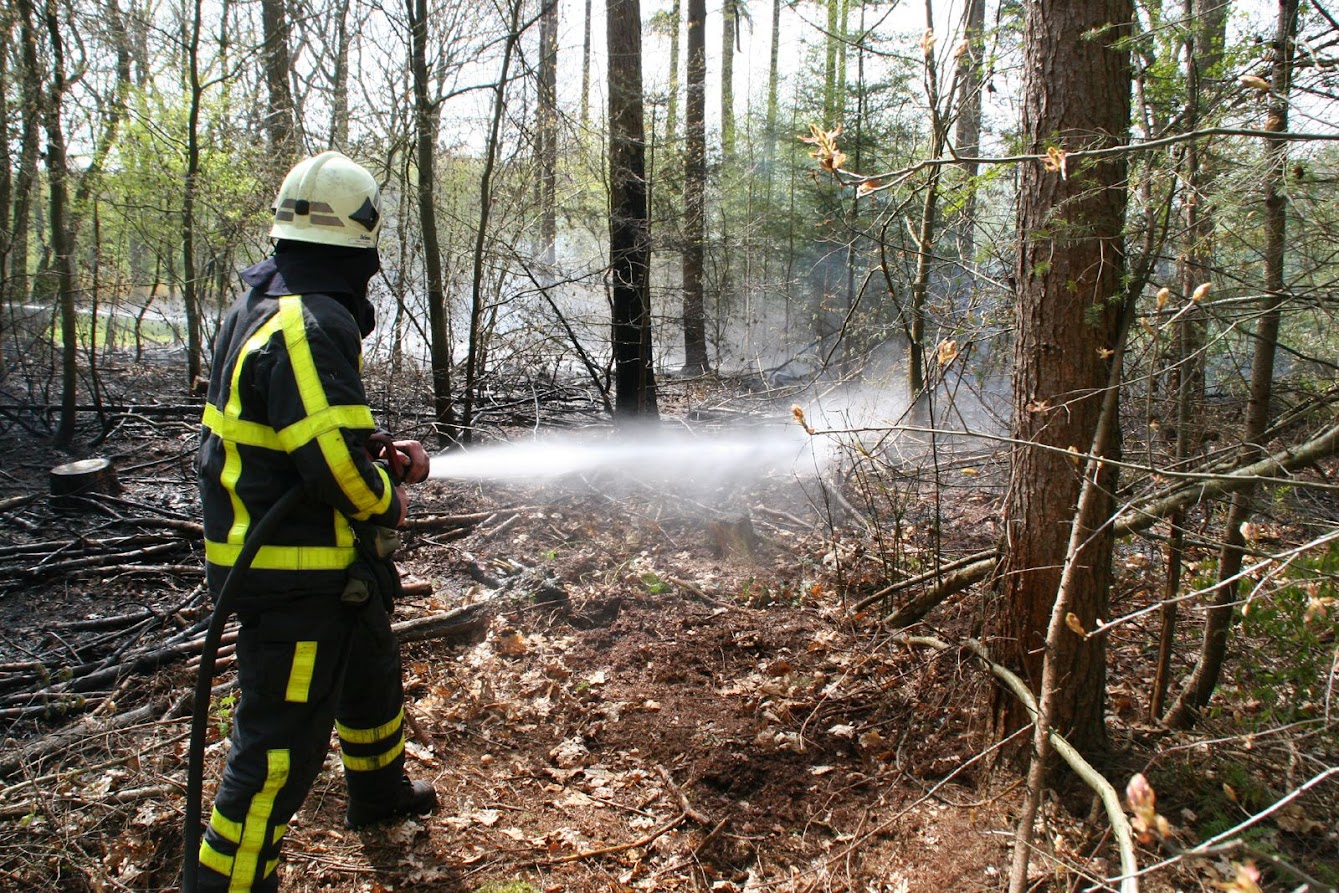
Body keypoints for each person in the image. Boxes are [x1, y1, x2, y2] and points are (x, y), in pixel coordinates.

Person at [194, 151, 436, 892]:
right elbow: (329, 465)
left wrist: (376, 449)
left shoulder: (265, 304)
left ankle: (378, 796)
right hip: (295, 577)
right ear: (360, 239)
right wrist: (384, 496)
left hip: (321, 564)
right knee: (274, 756)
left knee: (370, 679)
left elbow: (309, 425)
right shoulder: (307, 321)